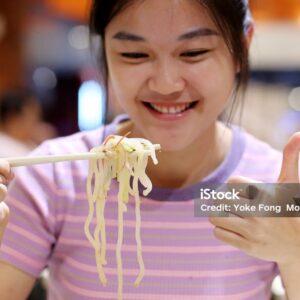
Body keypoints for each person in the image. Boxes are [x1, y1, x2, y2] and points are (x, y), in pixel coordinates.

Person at [0, 0, 300, 299]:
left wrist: (294, 253)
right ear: (103, 51)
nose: (166, 84)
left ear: (241, 47)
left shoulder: (268, 185)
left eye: (194, 52)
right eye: (134, 54)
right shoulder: (52, 177)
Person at [0, 88, 57, 157]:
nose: (36, 120)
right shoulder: (3, 149)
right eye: (32, 115)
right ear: (14, 118)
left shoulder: (31, 143)